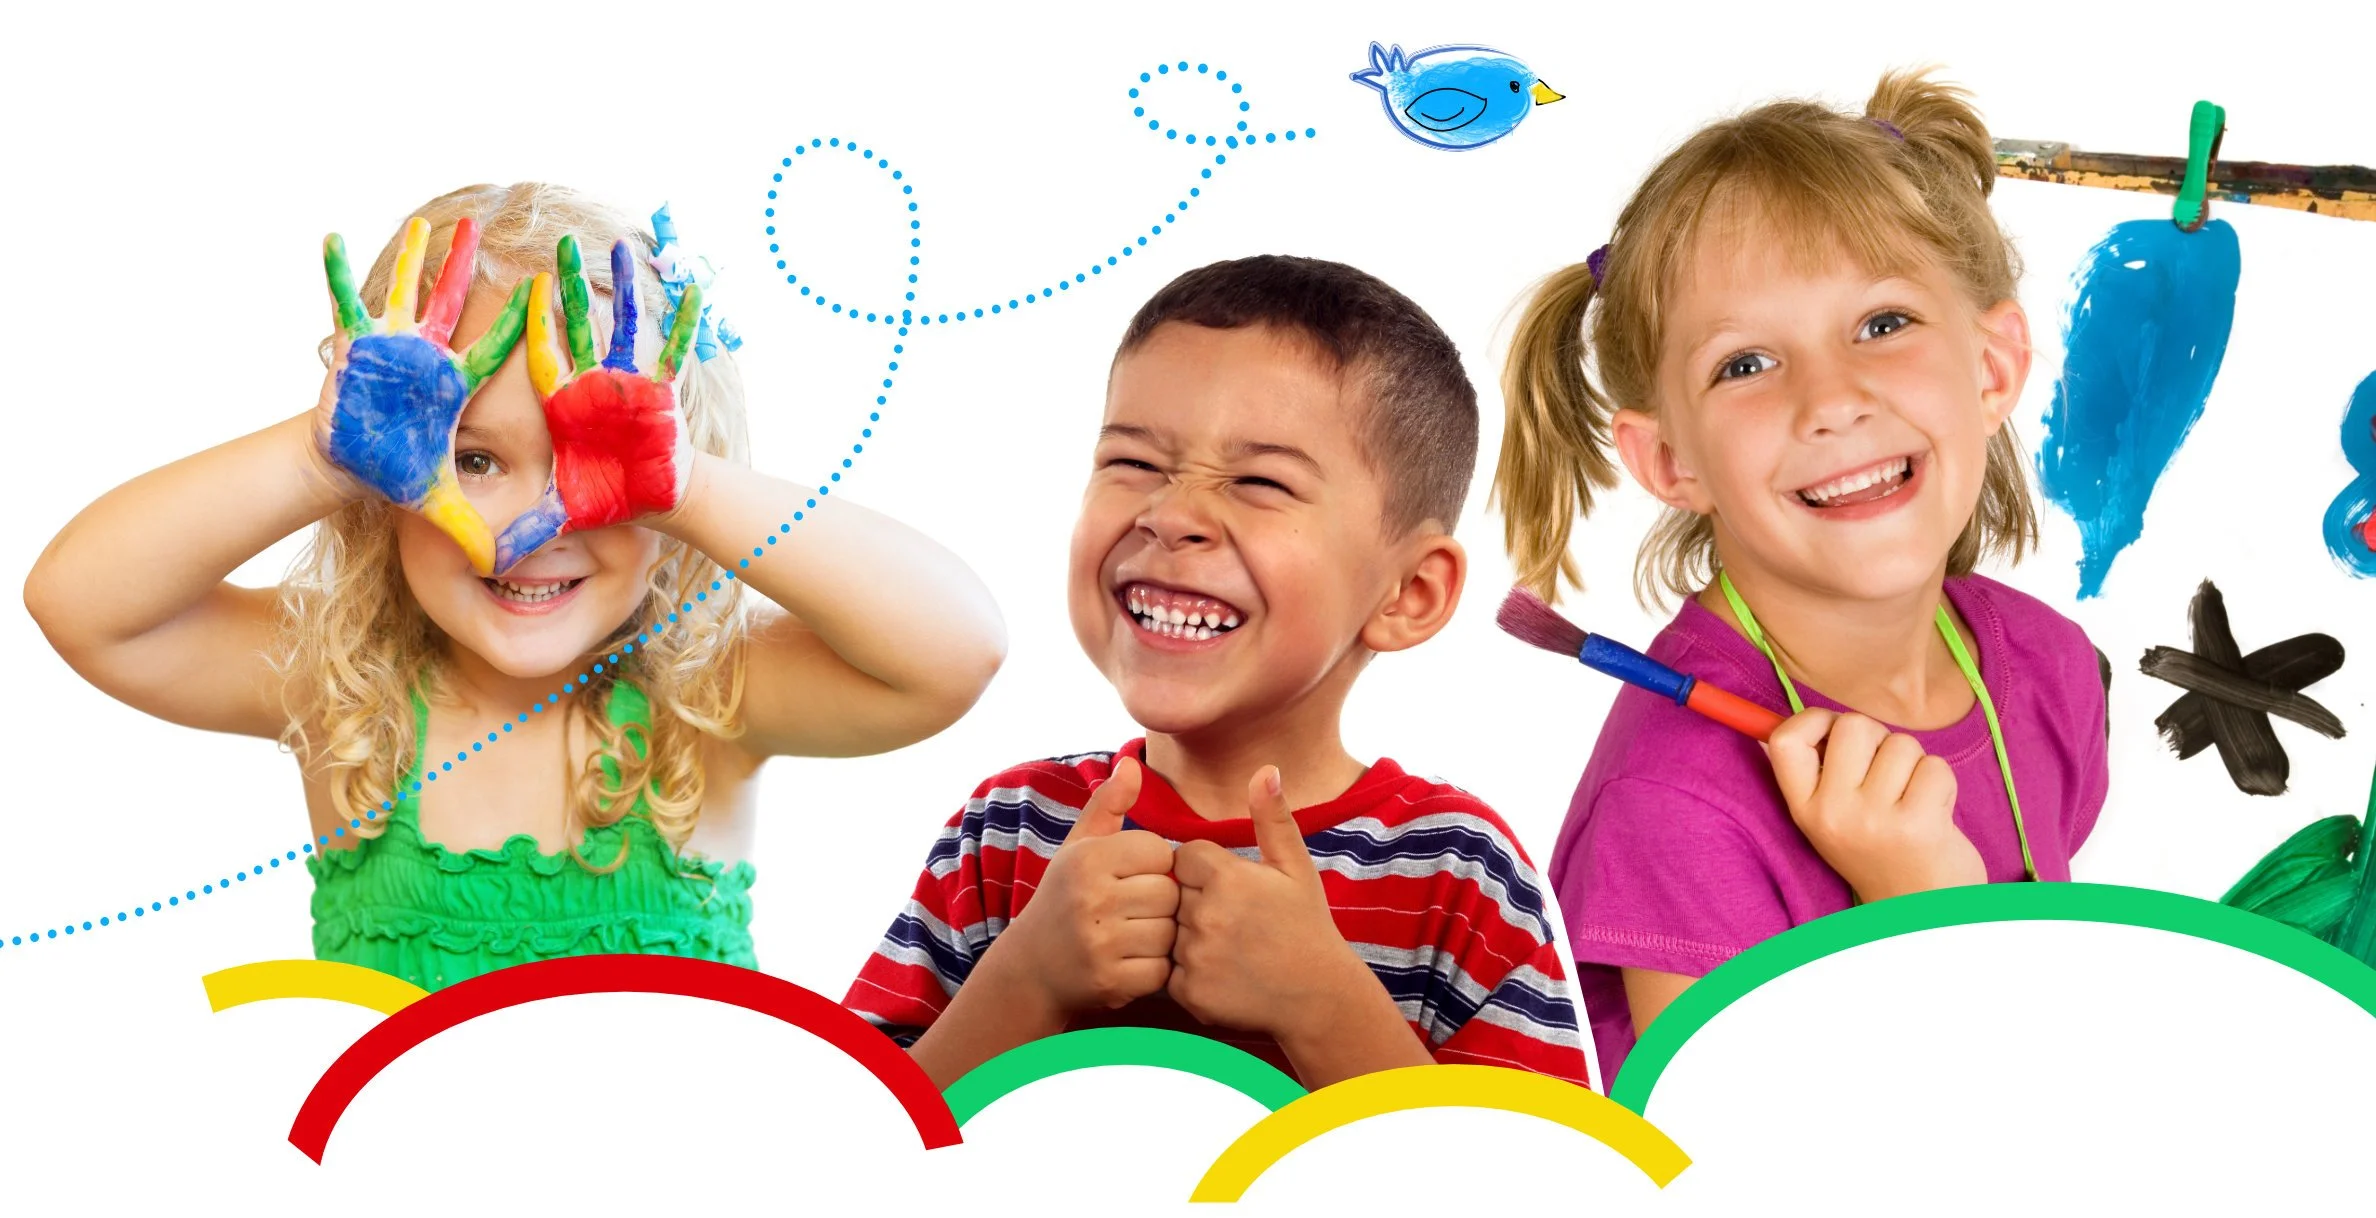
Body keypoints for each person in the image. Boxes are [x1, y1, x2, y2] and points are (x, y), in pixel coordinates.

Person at [24, 182, 1008, 990]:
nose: (529, 528)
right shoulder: (341, 690)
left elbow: (956, 650)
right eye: (474, 460)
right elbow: (82, 604)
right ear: (379, 479)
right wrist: (320, 453)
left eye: (596, 462)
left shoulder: (708, 699)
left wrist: (692, 487)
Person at [1495, 72, 2110, 1087]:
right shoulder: (1676, 804)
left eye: (1882, 323)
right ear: (1671, 462)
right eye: (1745, 364)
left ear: (1993, 367)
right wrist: (1920, 910)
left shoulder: (2050, 668)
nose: (1831, 400)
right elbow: (1729, 1150)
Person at [845, 255, 1589, 1090]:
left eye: (1260, 481)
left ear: (1409, 592)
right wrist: (1025, 982)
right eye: (1133, 463)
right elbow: (853, 1143)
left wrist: (1325, 1007)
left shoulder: (1460, 875)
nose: (1171, 514)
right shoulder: (1006, 836)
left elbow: (1532, 1165)